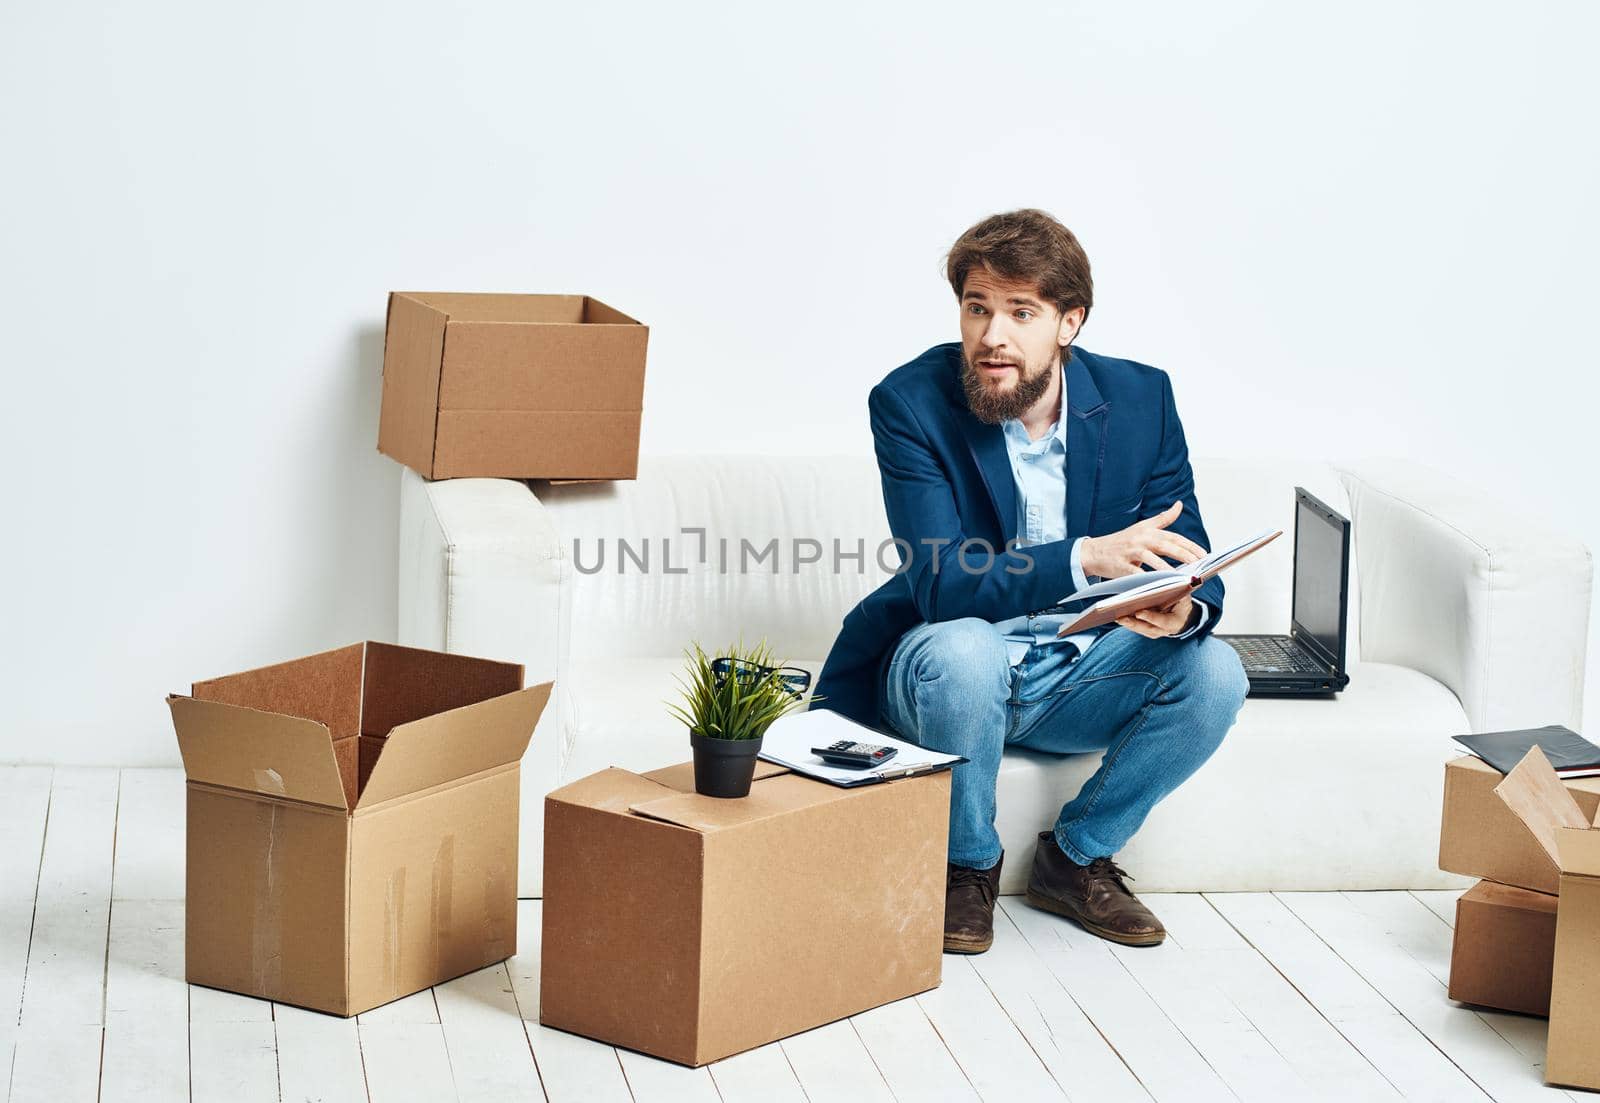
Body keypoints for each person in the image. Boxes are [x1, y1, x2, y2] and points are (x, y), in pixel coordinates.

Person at [811, 208, 1249, 953]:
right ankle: (967, 866)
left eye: (1021, 312)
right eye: (977, 308)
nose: (991, 336)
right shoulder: (911, 402)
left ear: (1069, 322)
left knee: (1217, 670)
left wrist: (1181, 606)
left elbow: (1188, 550)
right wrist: (1087, 557)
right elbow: (943, 585)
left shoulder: (1143, 399)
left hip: (1076, 670)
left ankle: (1075, 858)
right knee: (965, 652)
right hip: (943, 673)